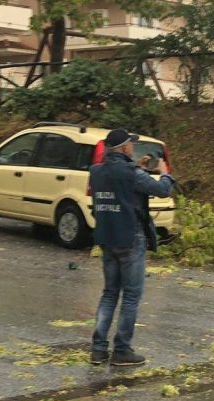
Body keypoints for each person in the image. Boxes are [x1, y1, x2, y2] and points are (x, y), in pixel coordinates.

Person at [89, 129, 175, 366]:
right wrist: (164, 173)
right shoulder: (131, 173)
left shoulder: (96, 172)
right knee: (130, 296)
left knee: (109, 294)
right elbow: (162, 190)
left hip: (106, 237)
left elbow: (118, 184)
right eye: (131, 145)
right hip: (130, 238)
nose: (132, 148)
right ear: (124, 147)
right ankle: (122, 350)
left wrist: (137, 165)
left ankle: (98, 350)